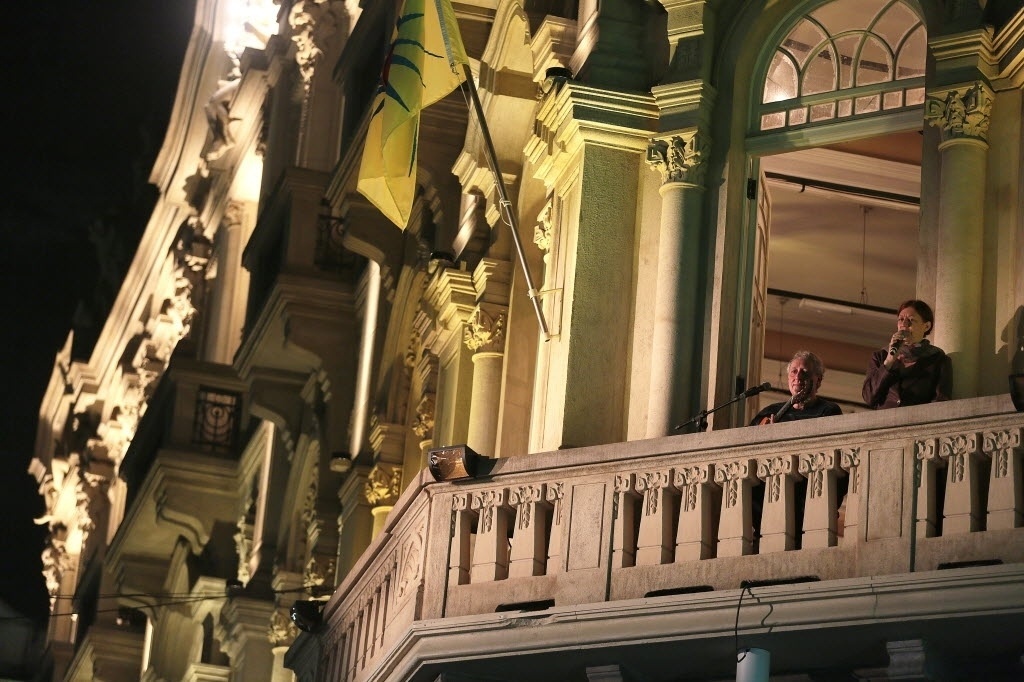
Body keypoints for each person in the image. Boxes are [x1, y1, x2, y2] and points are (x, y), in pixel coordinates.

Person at [862, 299, 951, 409]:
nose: (904, 324)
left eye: (911, 320)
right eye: (901, 319)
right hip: (886, 422)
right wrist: (889, 362)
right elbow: (868, 397)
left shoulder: (938, 359)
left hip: (918, 423)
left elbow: (940, 402)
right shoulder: (880, 356)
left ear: (926, 326)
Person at [751, 350, 843, 425]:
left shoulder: (828, 410)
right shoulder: (770, 411)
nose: (798, 377)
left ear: (818, 381)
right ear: (788, 379)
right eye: (794, 372)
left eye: (804, 372)